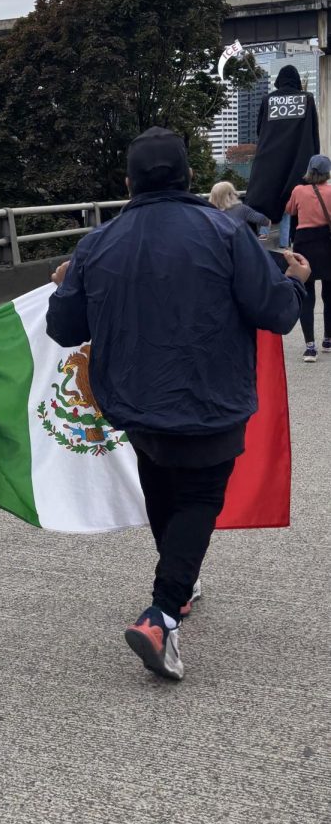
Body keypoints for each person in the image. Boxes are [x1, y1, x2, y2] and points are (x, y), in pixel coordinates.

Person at [46, 127, 309, 682]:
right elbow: (276, 314)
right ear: (189, 177)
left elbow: (64, 326)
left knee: (163, 487)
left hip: (133, 400)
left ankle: (179, 588)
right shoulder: (225, 231)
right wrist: (298, 283)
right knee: (198, 500)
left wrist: (67, 284)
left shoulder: (98, 243)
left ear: (127, 182)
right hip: (211, 396)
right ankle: (162, 615)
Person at [245, 63, 319, 229]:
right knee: (300, 211)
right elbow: (314, 132)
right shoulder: (307, 98)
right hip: (298, 162)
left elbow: (259, 130)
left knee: (255, 203)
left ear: (279, 80)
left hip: (269, 163)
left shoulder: (268, 100)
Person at [285, 153, 331, 363]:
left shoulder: (298, 190)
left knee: (307, 295)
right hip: (327, 241)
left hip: (305, 243)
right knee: (329, 295)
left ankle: (310, 347)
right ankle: (328, 339)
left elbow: (290, 210)